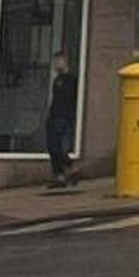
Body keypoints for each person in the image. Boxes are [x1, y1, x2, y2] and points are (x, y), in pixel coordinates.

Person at [45, 51, 80, 189]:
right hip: (55, 116)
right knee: (53, 147)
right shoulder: (57, 80)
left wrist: (69, 116)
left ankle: (68, 170)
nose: (54, 65)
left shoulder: (70, 80)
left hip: (63, 117)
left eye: (57, 61)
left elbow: (71, 99)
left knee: (57, 147)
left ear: (64, 62)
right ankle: (63, 174)